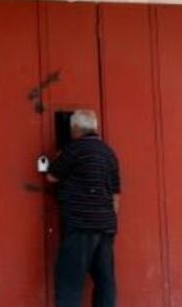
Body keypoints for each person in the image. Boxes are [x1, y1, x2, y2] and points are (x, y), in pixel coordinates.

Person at [46, 109, 121, 307]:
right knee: (105, 280)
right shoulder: (108, 152)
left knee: (70, 279)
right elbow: (115, 193)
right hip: (106, 225)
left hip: (81, 224)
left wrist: (58, 156)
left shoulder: (74, 149)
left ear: (75, 128)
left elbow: (51, 176)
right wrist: (110, 222)